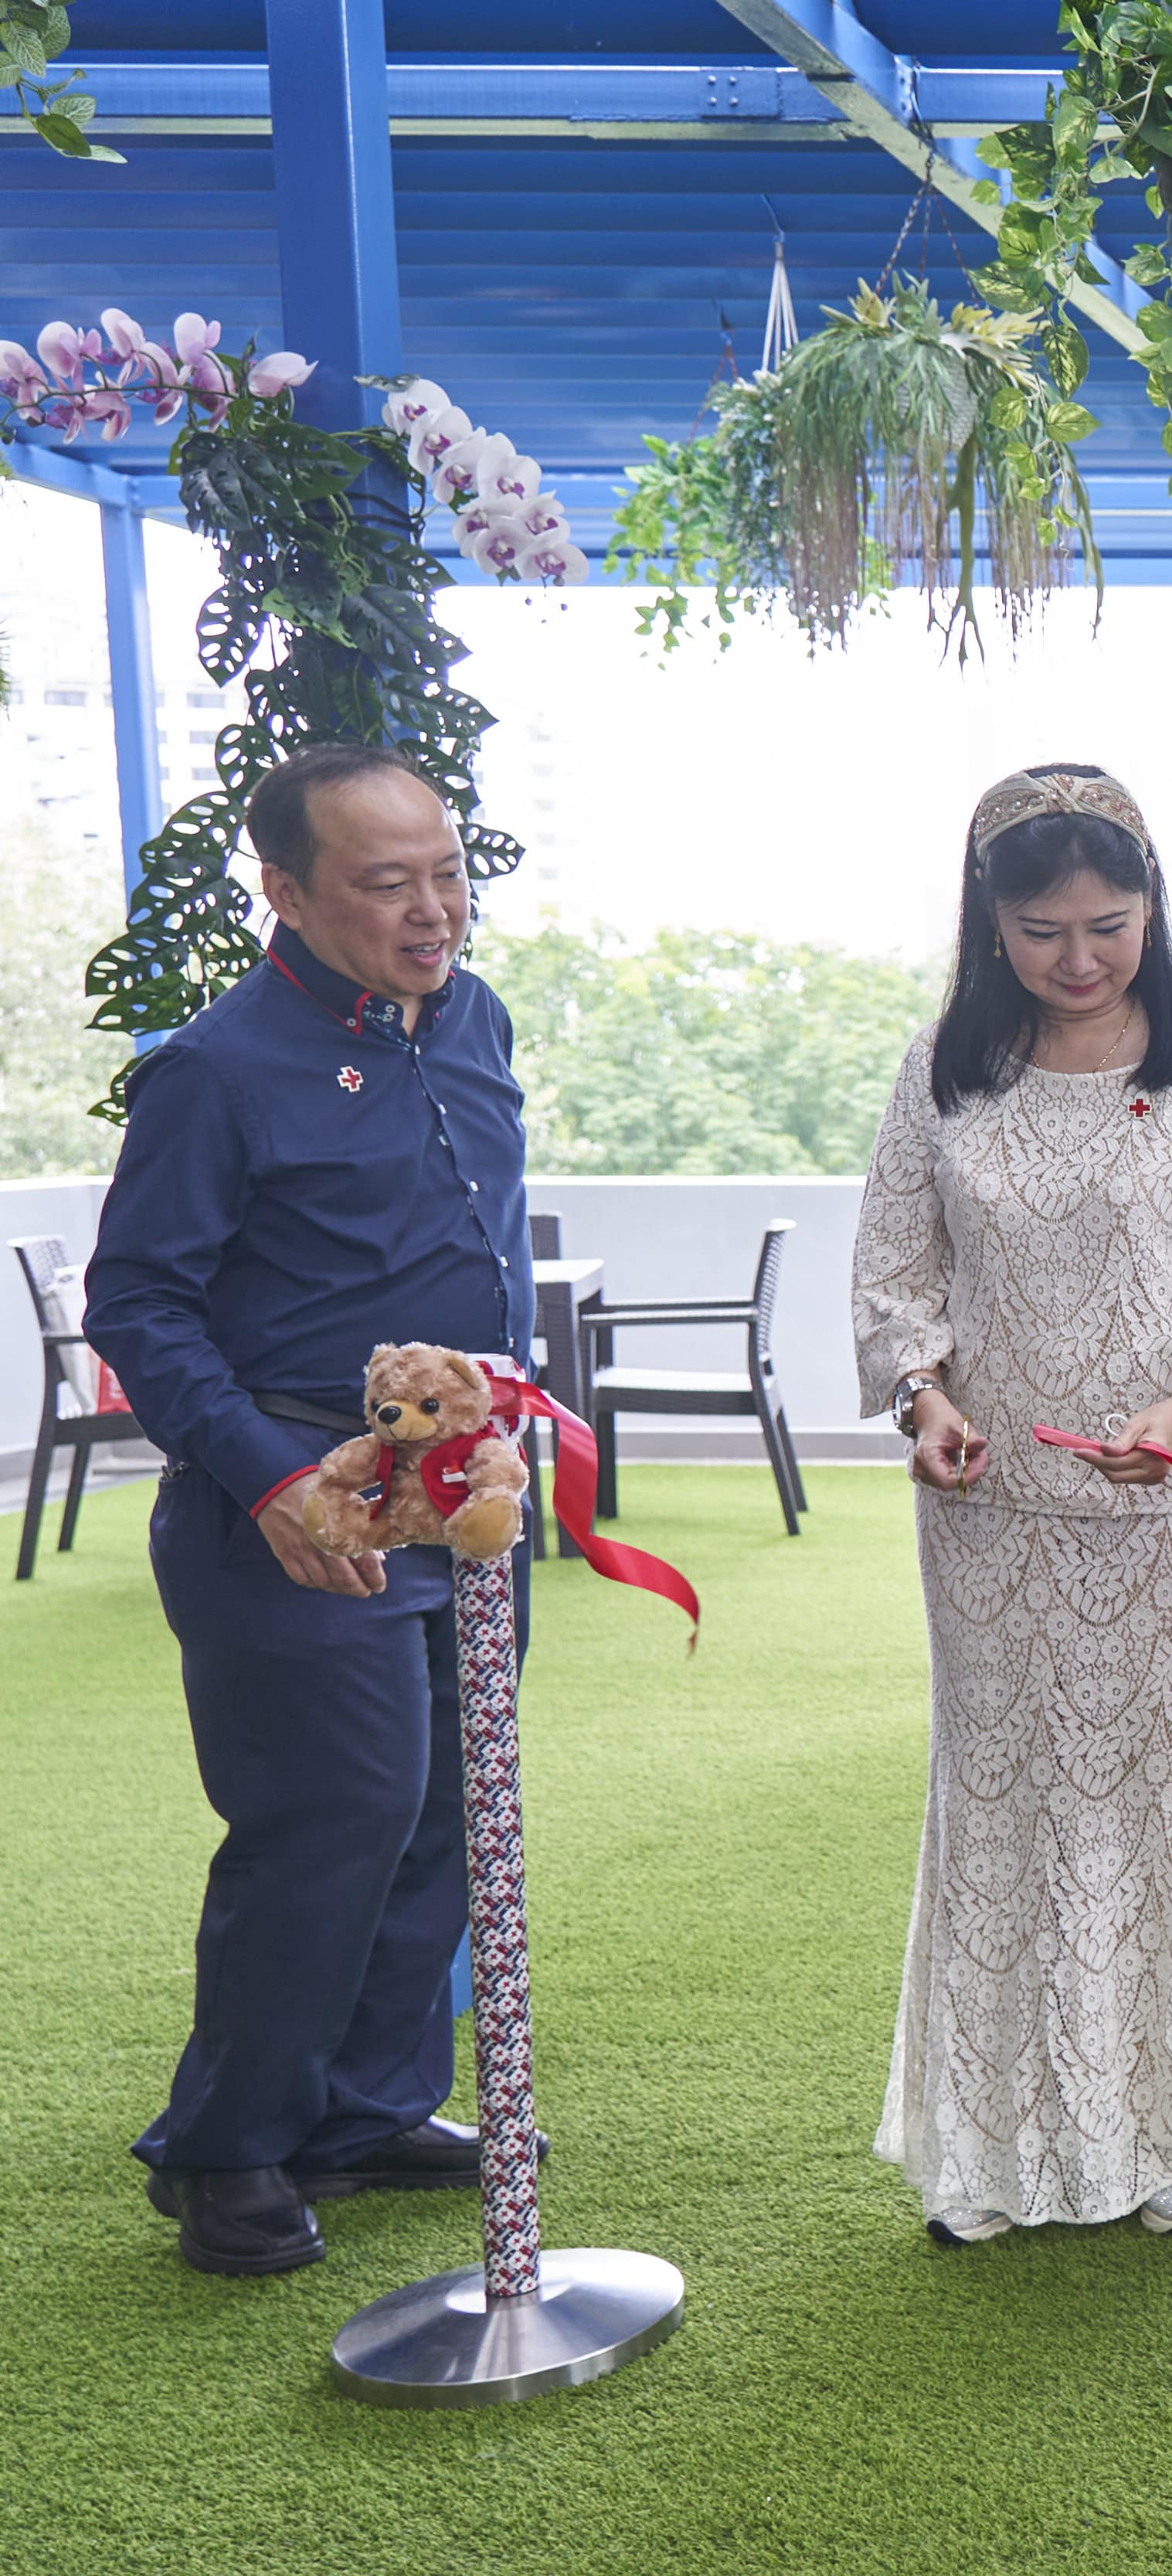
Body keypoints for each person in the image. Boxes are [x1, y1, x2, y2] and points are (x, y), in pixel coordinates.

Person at [82, 742, 535, 2277]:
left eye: (449, 873)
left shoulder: (473, 1018)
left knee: (444, 1816)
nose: (434, 912)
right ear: (283, 890)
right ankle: (229, 2145)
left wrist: (499, 1444)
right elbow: (139, 1305)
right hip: (298, 1496)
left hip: (458, 1495)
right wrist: (270, 1479)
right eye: (386, 882)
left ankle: (362, 2103)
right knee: (329, 1818)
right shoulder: (216, 1067)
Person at [851, 762, 1172, 2245]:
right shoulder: (941, 1067)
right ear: (990, 924)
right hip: (990, 1511)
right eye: (1042, 930)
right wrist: (926, 1407)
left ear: (1152, 908)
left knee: (1164, 1790)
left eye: (1108, 924)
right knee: (1001, 1791)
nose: (1077, 957)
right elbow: (895, 1278)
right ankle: (992, 2158)